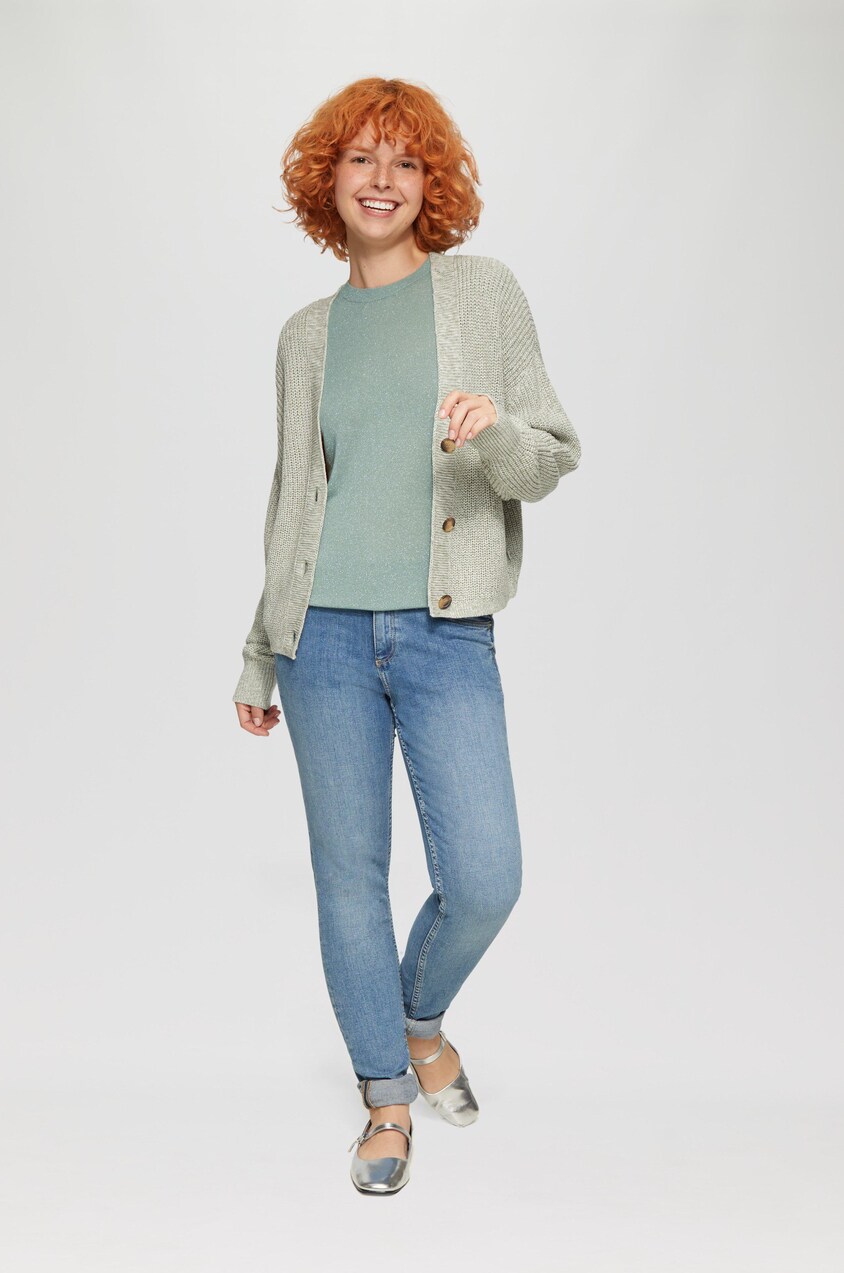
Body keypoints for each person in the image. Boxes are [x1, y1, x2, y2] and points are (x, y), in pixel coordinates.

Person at [232, 77, 581, 1196]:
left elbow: (550, 456)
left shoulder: (483, 293)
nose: (381, 180)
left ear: (434, 183)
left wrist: (495, 433)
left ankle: (419, 1020)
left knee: (485, 874)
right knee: (350, 877)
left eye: (407, 161)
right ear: (326, 181)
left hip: (444, 634)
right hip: (320, 639)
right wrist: (259, 649)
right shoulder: (305, 336)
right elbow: (294, 498)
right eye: (359, 159)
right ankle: (386, 1098)